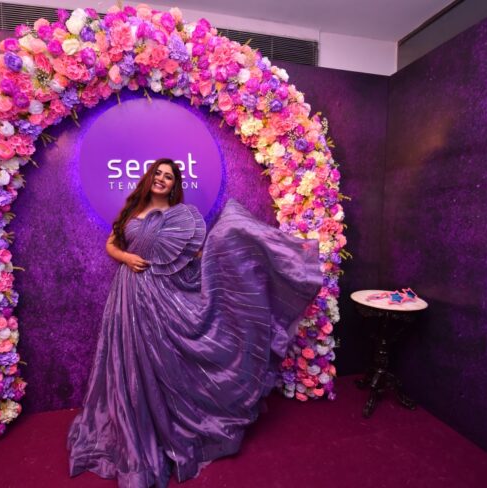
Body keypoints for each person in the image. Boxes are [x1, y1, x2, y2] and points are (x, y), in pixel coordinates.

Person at [67, 158, 323, 488]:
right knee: (129, 359)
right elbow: (112, 244)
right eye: (158, 174)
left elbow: (194, 256)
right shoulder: (132, 210)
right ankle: (137, 422)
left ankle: (168, 425)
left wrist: (224, 252)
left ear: (174, 185)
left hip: (161, 297)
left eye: (168, 176)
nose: (161, 179)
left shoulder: (180, 218)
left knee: (161, 360)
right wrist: (126, 257)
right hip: (127, 294)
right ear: (149, 178)